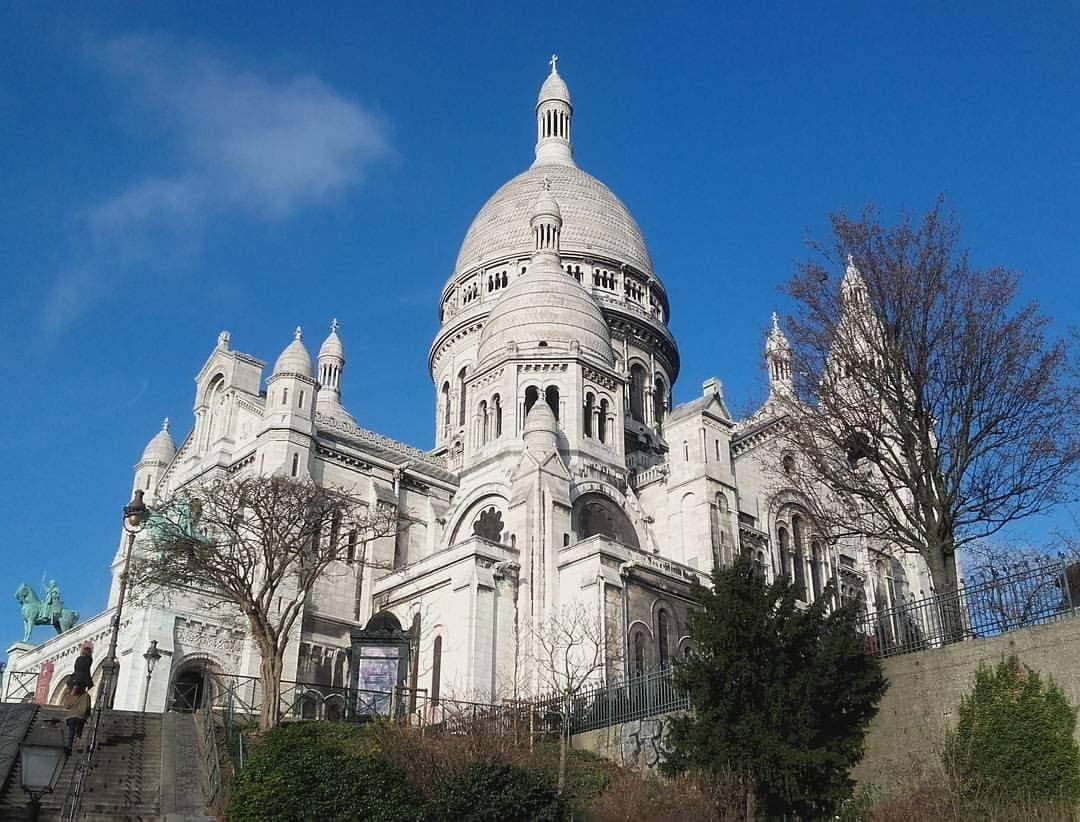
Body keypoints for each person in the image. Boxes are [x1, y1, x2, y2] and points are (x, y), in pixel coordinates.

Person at [63, 684, 91, 752]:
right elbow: (88, 707)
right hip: (81, 717)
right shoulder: (86, 695)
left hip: (71, 716)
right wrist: (87, 716)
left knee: (71, 732)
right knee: (78, 732)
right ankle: (77, 746)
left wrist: (71, 695)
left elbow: (67, 706)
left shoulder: (72, 694)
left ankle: (70, 746)